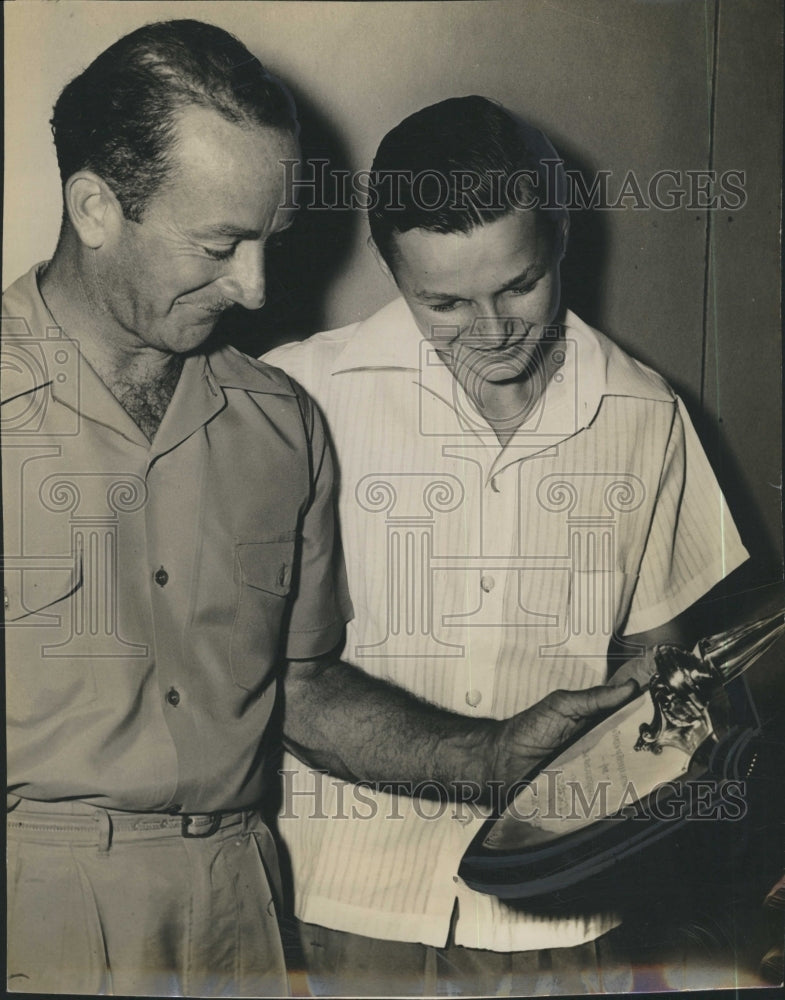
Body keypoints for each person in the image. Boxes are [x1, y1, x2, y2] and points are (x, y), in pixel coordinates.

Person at [3, 27, 639, 997]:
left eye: (270, 242)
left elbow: (302, 688)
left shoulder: (278, 422)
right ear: (95, 208)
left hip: (243, 913)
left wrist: (491, 754)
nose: (256, 288)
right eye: (220, 246)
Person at [263, 96, 750, 996]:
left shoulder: (647, 414)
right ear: (388, 265)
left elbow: (658, 668)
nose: (489, 334)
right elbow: (271, 682)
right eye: (442, 302)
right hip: (337, 907)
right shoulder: (296, 395)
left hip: (562, 920)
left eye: (517, 286)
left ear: (559, 234)